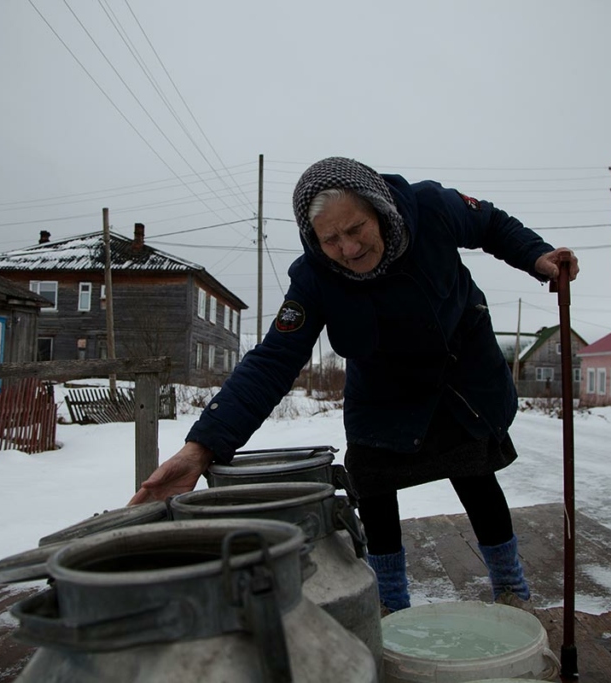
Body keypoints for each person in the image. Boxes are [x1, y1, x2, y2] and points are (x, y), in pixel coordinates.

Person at [130, 156, 579, 612]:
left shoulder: (430, 208)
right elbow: (272, 361)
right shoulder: (312, 280)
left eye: (355, 229)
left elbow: (492, 225)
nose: (346, 249)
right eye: (330, 239)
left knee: (474, 472)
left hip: (457, 370)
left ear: (379, 211)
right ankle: (389, 603)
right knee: (374, 485)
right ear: (313, 238)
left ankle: (510, 587)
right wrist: (200, 447)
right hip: (380, 385)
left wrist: (536, 255)